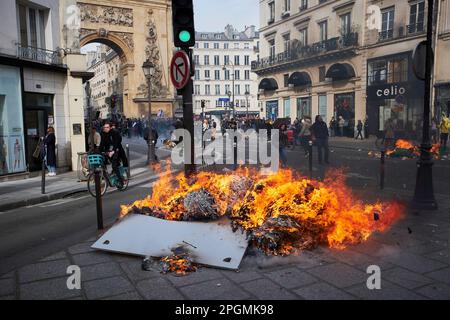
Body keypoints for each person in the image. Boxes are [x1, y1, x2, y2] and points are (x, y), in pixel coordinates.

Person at [100, 122, 125, 188]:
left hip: (116, 151)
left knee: (114, 166)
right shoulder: (103, 134)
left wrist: (113, 151)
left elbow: (116, 143)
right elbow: (102, 144)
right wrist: (99, 151)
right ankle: (107, 177)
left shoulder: (114, 133)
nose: (105, 129)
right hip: (108, 151)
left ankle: (121, 181)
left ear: (110, 128)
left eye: (107, 127)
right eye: (104, 127)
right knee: (103, 162)